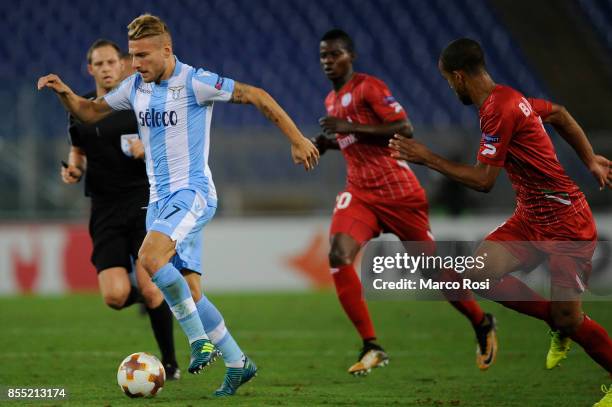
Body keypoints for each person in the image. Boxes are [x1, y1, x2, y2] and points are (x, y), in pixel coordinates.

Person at [39, 14, 319, 397]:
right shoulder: (135, 87)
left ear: (166, 50)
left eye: (142, 55)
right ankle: (238, 364)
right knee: (190, 289)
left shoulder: (195, 82)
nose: (135, 64)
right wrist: (63, 91)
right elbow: (88, 112)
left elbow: (256, 95)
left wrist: (297, 138)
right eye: (132, 56)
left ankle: (198, 342)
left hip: (193, 194)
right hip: (159, 200)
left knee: (150, 259)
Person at [389, 38, 612, 406]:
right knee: (478, 272)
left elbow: (483, 181)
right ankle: (559, 320)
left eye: (448, 81)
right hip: (530, 216)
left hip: (565, 223)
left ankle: (568, 325)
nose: (450, 88)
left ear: (459, 77)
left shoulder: (498, 108)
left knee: (570, 320)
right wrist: (590, 158)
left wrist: (427, 157)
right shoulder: (510, 98)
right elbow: (558, 112)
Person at [313, 29, 496, 376]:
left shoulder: (369, 87)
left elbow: (404, 127)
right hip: (361, 193)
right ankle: (372, 345)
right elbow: (357, 141)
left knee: (431, 270)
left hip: (399, 193)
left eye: (335, 54)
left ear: (351, 56)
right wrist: (331, 143)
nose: (328, 61)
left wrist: (347, 125)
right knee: (338, 255)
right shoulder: (331, 101)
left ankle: (481, 320)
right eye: (323, 55)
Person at [61, 38, 179, 380]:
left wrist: (151, 145)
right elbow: (78, 150)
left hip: (144, 203)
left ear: (123, 64)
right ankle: (145, 296)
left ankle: (169, 364)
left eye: (111, 62)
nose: (106, 68)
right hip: (105, 209)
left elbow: (173, 143)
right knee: (114, 296)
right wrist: (73, 170)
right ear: (91, 69)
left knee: (153, 287)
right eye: (99, 64)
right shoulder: (80, 107)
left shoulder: (142, 103)